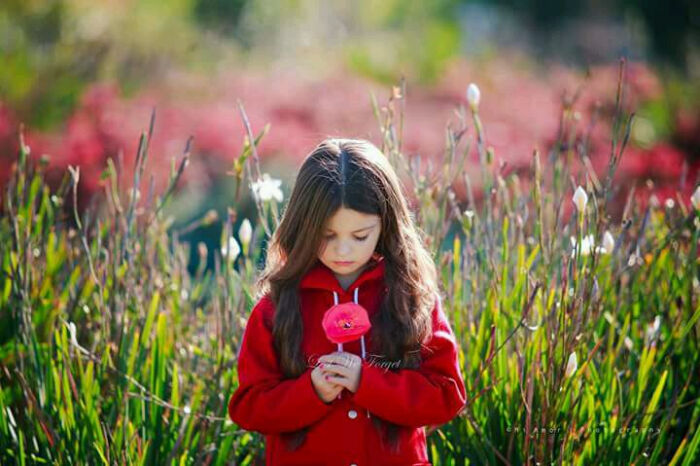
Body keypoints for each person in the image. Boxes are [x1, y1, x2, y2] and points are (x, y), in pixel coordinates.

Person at [228, 138, 466, 465]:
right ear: (303, 227)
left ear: (387, 225)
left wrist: (368, 383)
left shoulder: (411, 297)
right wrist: (309, 392)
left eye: (360, 236)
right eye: (326, 235)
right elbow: (248, 408)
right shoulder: (276, 307)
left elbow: (447, 395)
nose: (343, 251)